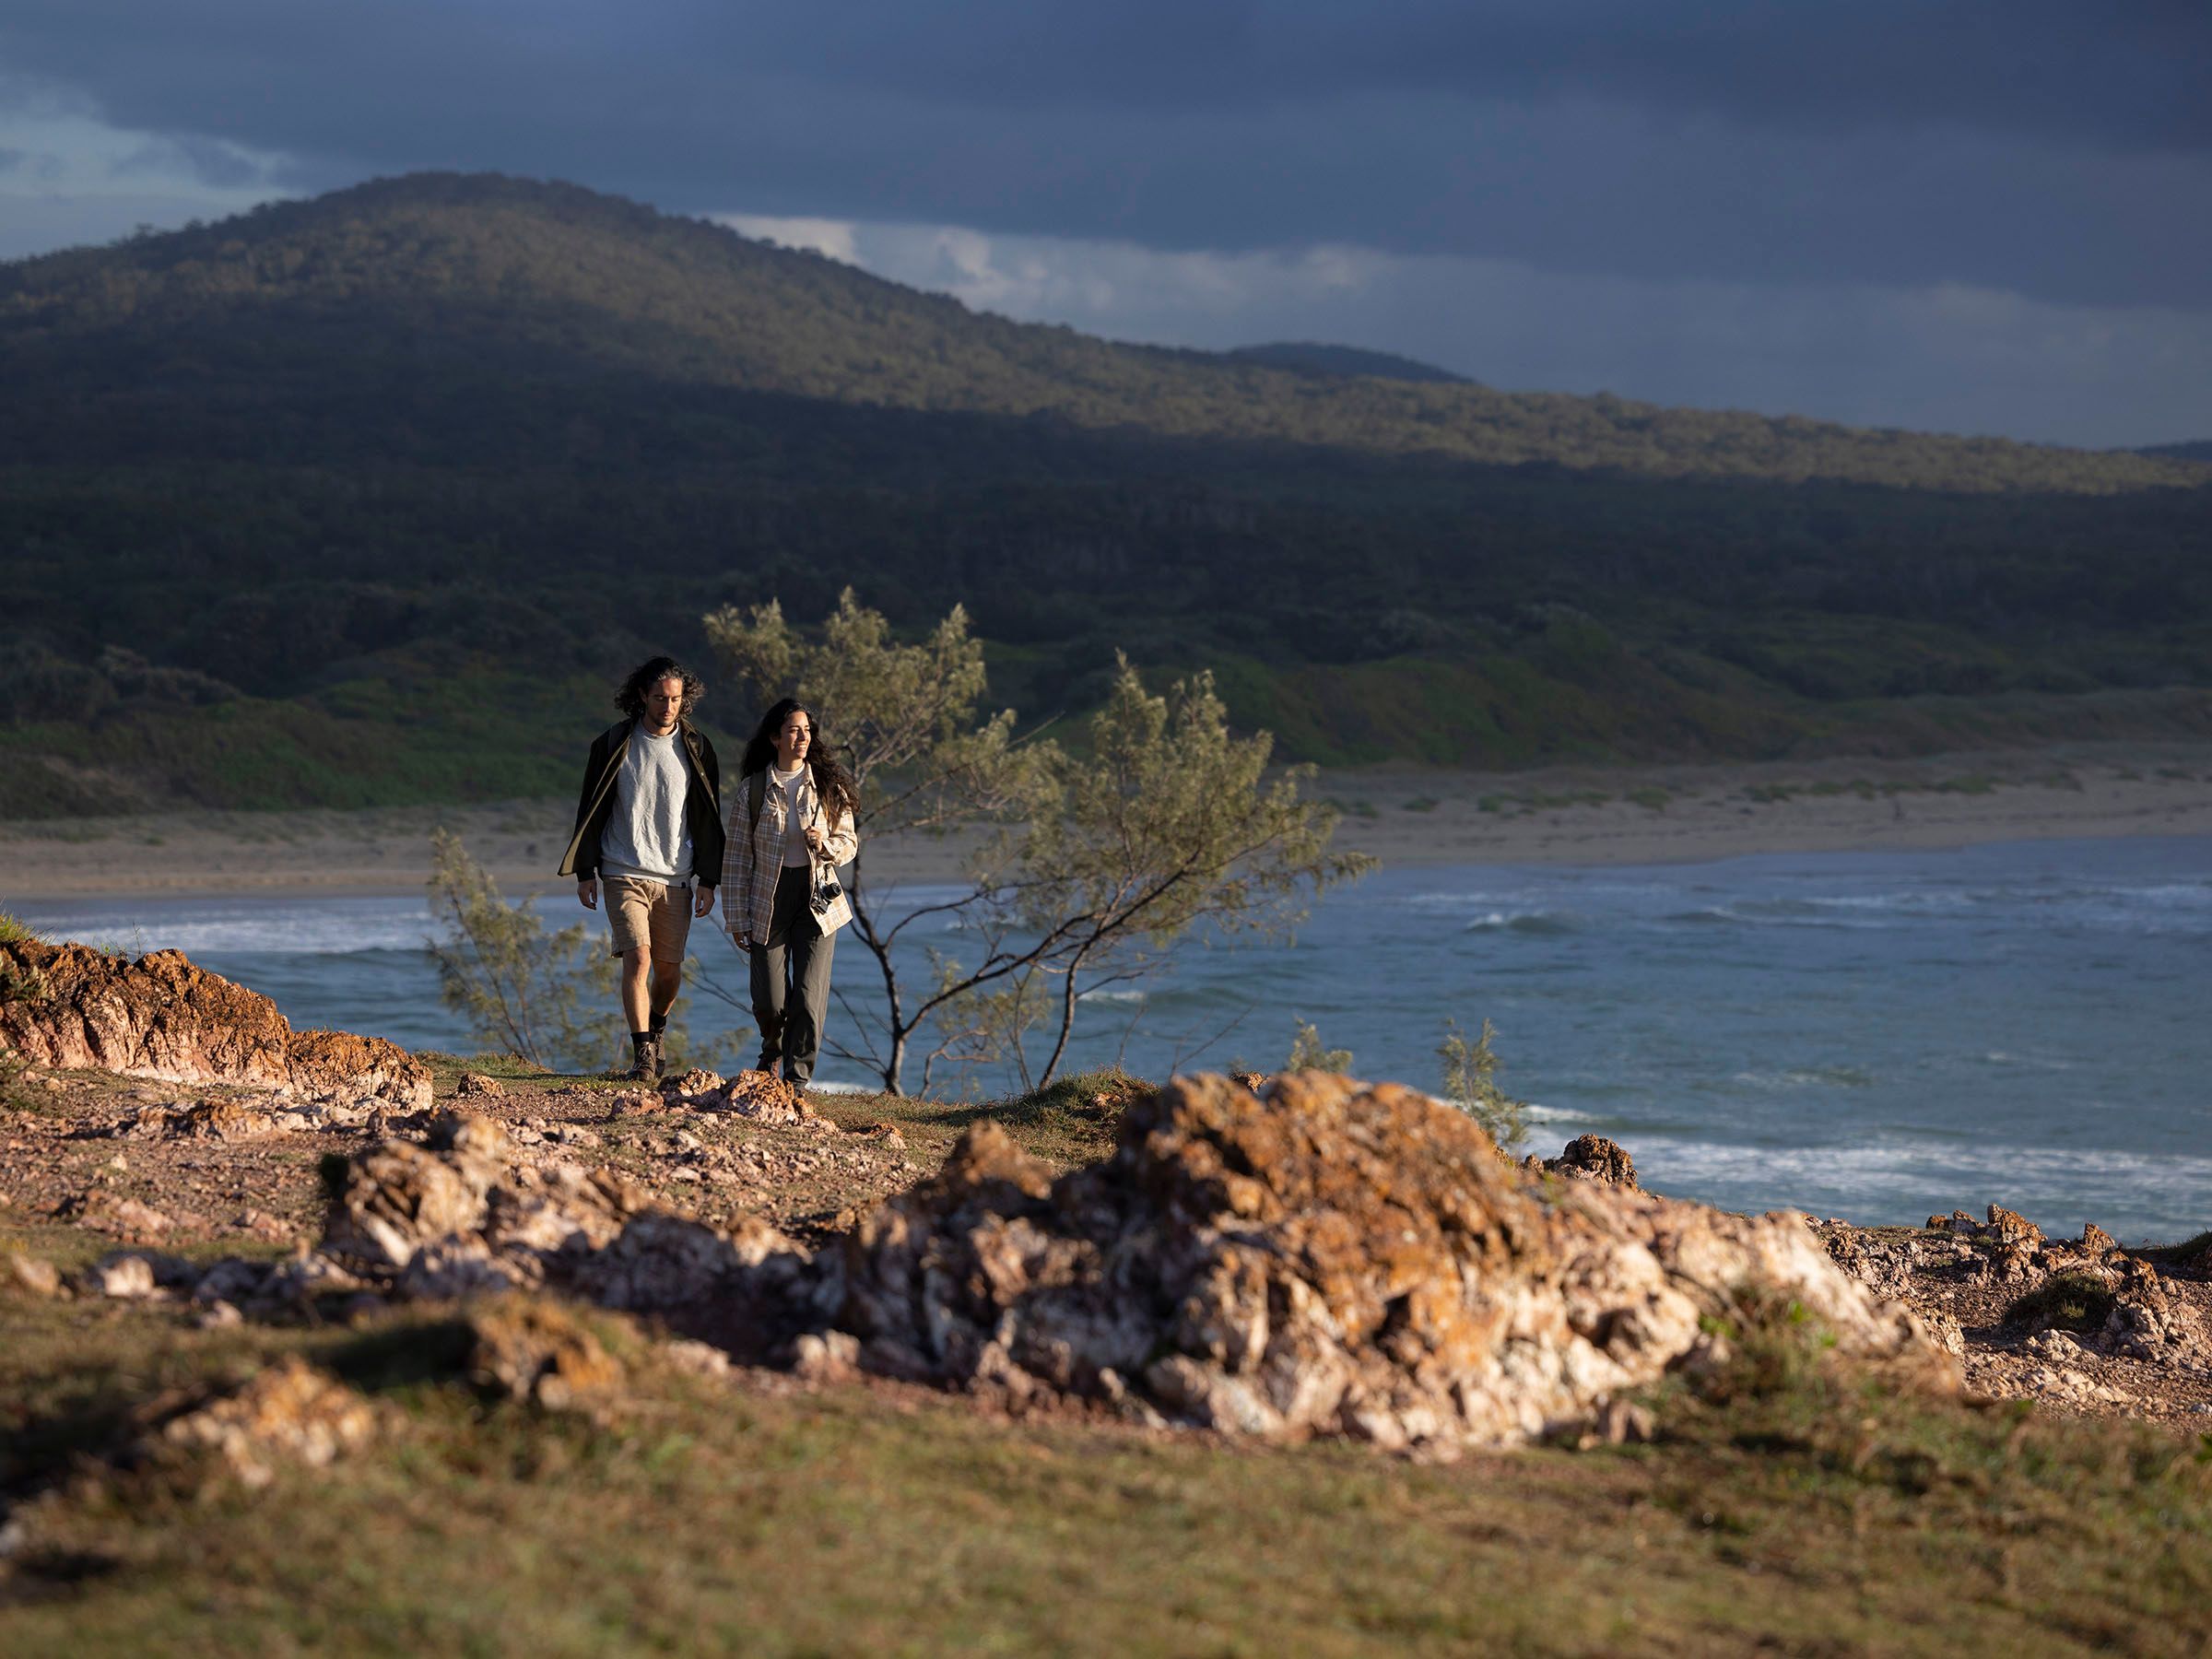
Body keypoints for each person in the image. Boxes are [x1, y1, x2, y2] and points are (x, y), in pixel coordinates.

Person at [557, 656, 724, 1081]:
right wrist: (584, 872)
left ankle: (658, 1028)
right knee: (639, 959)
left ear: (685, 700)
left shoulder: (698, 749)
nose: (667, 706)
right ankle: (643, 1055)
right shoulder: (613, 743)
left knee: (668, 972)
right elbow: (590, 809)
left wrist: (709, 879)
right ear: (642, 697)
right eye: (659, 698)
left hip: (677, 877)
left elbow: (708, 816)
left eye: (675, 699)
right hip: (621, 870)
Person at [723, 697, 858, 1088]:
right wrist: (736, 918)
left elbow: (848, 842)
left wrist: (825, 844)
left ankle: (797, 1077)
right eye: (793, 730)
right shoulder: (754, 790)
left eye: (806, 731)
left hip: (818, 900)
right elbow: (736, 857)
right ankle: (772, 1049)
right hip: (769, 896)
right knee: (770, 999)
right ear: (774, 738)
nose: (802, 737)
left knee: (809, 996)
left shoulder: (829, 786)